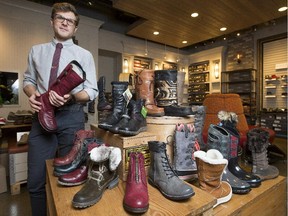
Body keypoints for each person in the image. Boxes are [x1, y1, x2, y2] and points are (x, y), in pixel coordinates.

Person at [23, 3, 98, 215]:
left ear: (75, 28)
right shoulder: (36, 51)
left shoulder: (85, 55)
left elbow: (92, 91)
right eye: (60, 18)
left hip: (72, 117)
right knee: (36, 180)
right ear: (52, 21)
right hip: (41, 118)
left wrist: (72, 96)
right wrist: (32, 93)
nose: (65, 22)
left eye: (70, 20)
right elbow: (28, 80)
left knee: (69, 177)